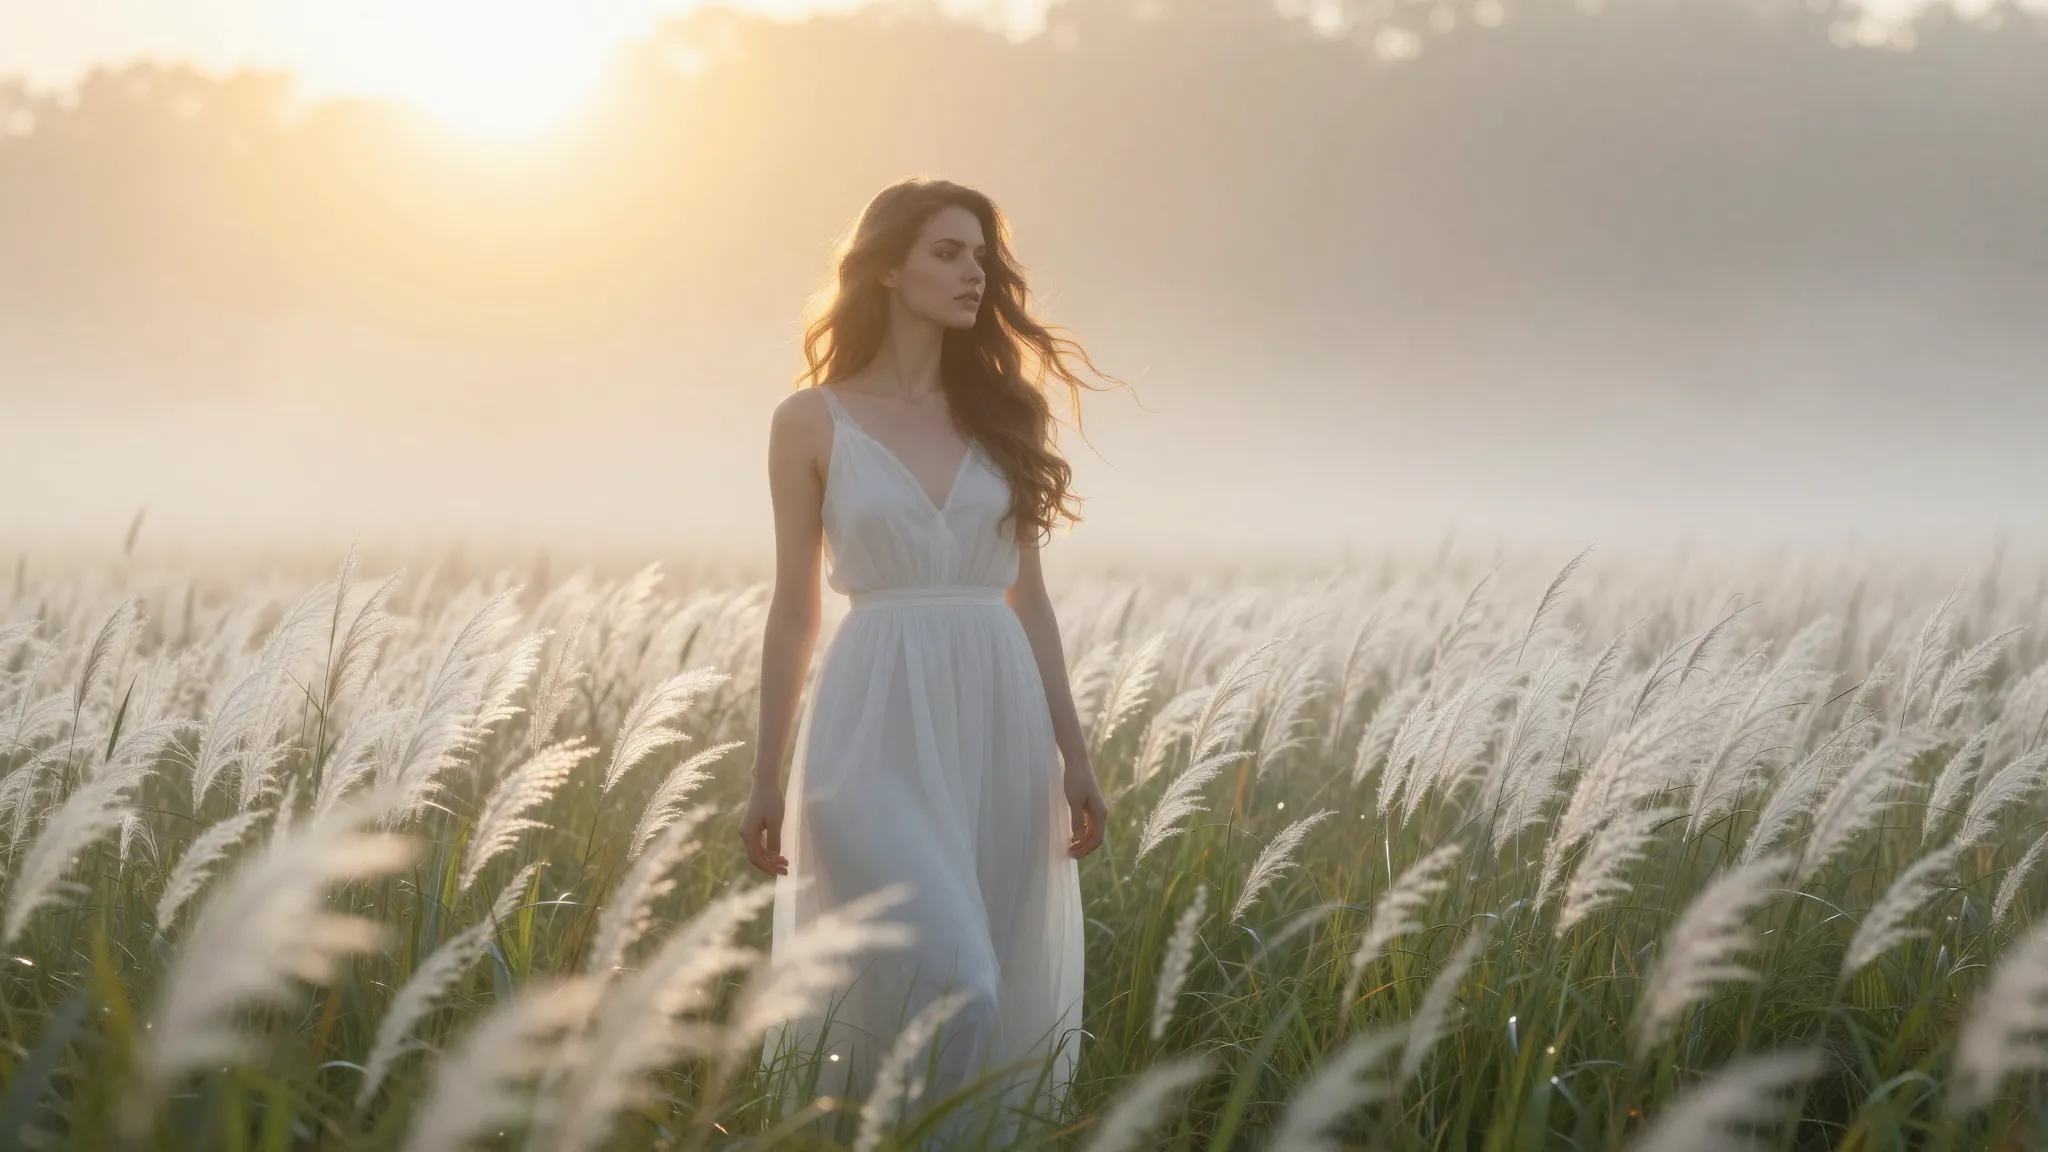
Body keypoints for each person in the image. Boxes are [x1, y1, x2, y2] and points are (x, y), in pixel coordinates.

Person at [740, 176, 1115, 1146]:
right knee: (960, 983)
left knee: (975, 998)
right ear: (888, 266)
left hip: (997, 720)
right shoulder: (809, 422)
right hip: (869, 721)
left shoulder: (1007, 413)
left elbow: (1026, 598)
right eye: (947, 253)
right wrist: (764, 774)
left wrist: (1074, 755)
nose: (971, 274)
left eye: (981, 258)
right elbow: (793, 606)